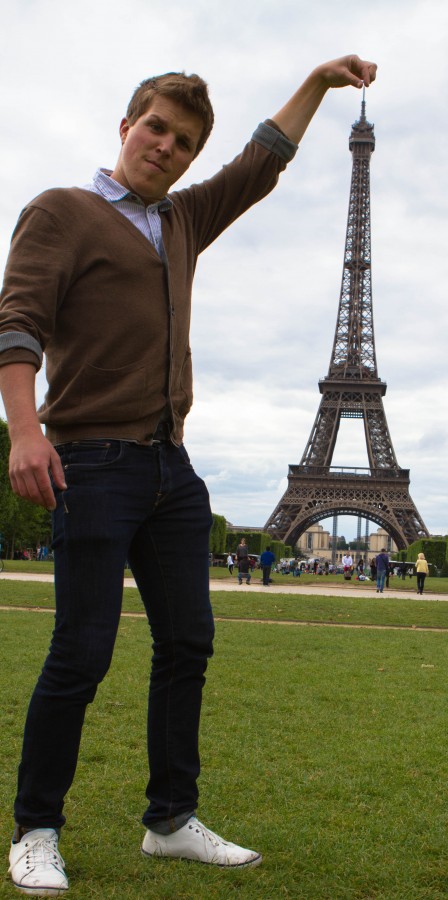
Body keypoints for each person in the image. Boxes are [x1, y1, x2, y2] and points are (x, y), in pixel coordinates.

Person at [0, 54, 377, 897]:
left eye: (184, 141)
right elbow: (17, 322)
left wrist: (316, 84)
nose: (166, 147)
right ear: (125, 126)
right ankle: (35, 829)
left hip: (173, 468)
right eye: (156, 128)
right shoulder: (60, 212)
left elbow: (262, 162)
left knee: (189, 645)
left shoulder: (181, 221)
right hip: (90, 460)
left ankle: (170, 820)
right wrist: (25, 430)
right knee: (82, 652)